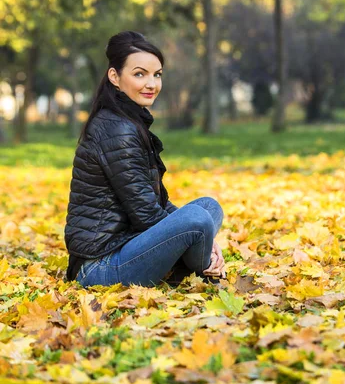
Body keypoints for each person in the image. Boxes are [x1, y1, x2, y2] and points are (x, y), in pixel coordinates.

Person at [64, 30, 226, 288]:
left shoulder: (127, 119)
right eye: (139, 74)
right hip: (100, 267)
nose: (152, 84)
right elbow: (147, 215)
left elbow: (155, 203)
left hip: (127, 245)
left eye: (157, 74)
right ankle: (204, 268)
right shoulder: (117, 129)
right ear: (115, 77)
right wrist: (200, 237)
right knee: (197, 218)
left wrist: (208, 240)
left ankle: (197, 260)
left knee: (208, 207)